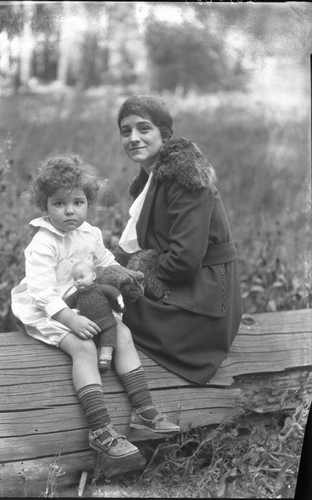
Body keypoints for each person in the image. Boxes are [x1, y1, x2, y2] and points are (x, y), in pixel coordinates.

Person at [11, 153, 180, 461]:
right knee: (84, 347)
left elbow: (104, 262)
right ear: (45, 206)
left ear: (88, 201)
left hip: (87, 300)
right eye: (59, 204)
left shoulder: (90, 233)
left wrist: (122, 275)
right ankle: (100, 430)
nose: (70, 211)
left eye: (77, 202)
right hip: (49, 307)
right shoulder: (43, 243)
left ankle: (143, 410)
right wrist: (69, 320)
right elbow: (41, 291)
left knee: (122, 333)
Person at [116, 95, 243, 385]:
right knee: (97, 299)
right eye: (126, 131)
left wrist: (137, 274)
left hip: (206, 300)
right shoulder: (152, 179)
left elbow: (184, 260)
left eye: (143, 129)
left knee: (109, 317)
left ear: (165, 134)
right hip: (184, 286)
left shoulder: (185, 178)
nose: (134, 138)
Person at [65, 259, 124, 373]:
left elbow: (113, 292)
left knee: (108, 338)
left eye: (82, 277)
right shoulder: (77, 295)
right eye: (75, 279)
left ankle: (105, 358)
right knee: (92, 344)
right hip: (89, 326)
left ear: (93, 276)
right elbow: (66, 304)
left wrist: (119, 300)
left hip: (107, 323)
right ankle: (97, 358)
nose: (78, 281)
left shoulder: (100, 288)